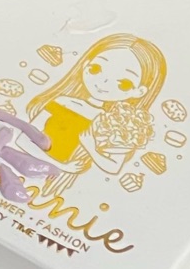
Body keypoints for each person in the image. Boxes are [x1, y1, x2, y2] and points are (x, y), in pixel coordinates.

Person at [26, 35, 166, 200]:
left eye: (124, 84)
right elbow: (23, 140)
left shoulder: (115, 124)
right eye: (96, 69)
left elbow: (114, 167)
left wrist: (90, 147)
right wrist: (62, 166)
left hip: (57, 185)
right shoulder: (62, 102)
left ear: (139, 91)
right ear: (85, 64)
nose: (104, 82)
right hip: (26, 164)